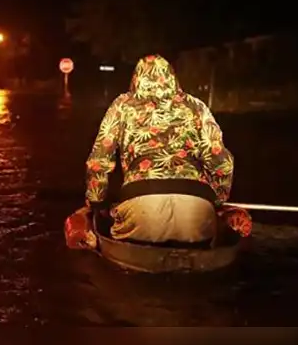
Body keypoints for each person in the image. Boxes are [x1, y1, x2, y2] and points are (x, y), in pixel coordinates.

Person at [84, 54, 251, 245]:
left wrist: (97, 202)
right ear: (173, 77)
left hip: (140, 206)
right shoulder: (196, 106)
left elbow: (99, 161)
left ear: (136, 78)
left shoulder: (122, 106)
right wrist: (217, 201)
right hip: (197, 208)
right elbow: (222, 163)